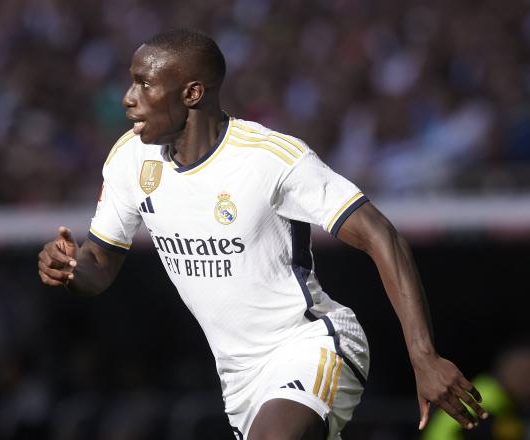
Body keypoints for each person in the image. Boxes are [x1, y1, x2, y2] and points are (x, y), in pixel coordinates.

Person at [38, 29, 488, 439]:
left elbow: (381, 235)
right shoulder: (130, 160)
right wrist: (71, 267)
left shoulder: (271, 158)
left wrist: (423, 355)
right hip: (238, 377)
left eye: (144, 84)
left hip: (311, 342)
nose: (128, 98)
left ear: (193, 93)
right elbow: (99, 264)